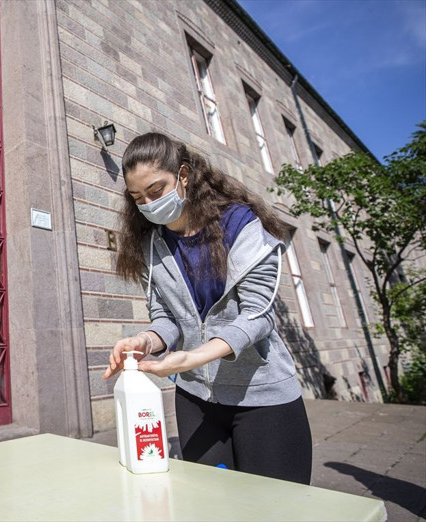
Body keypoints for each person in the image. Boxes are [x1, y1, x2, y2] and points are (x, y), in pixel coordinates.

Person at [102, 132, 312, 484]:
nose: (148, 204)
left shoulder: (239, 224)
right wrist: (145, 341)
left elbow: (258, 316)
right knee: (211, 503)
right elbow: (167, 319)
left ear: (183, 175)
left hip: (261, 396)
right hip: (196, 398)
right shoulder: (151, 245)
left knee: (279, 506)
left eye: (156, 190)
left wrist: (193, 357)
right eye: (138, 198)